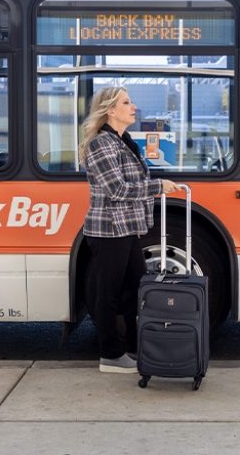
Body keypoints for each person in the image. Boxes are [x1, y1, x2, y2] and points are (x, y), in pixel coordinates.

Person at [79, 86, 177, 373]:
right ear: (110, 110)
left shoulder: (123, 142)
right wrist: (159, 186)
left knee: (136, 287)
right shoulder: (101, 144)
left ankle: (134, 349)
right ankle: (110, 355)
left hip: (127, 229)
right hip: (109, 230)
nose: (133, 107)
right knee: (108, 294)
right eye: (126, 102)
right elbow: (117, 189)